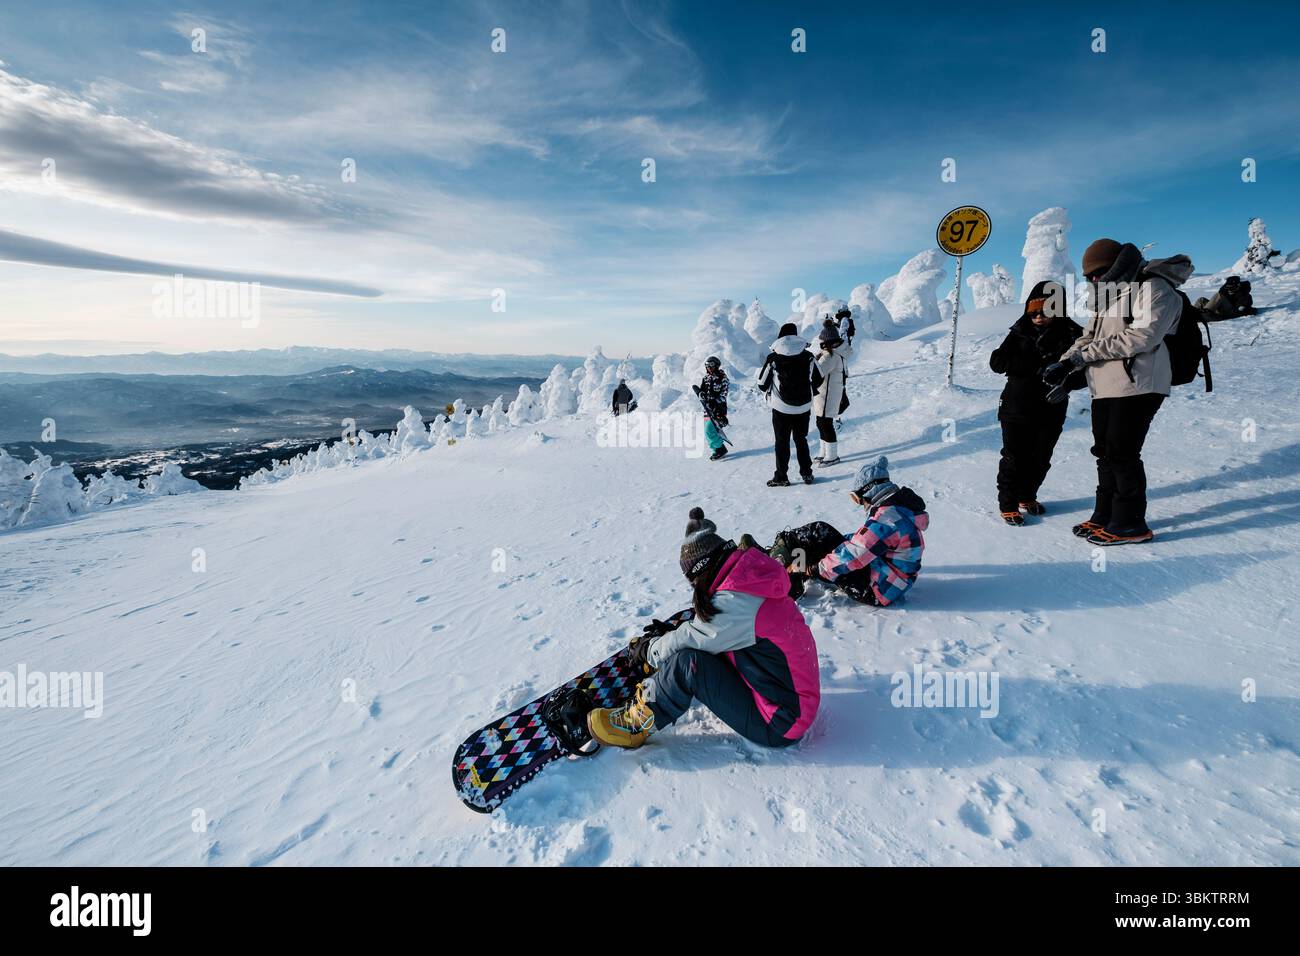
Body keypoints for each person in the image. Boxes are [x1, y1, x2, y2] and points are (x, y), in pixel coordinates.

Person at [586, 508, 821, 750]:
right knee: (698, 642)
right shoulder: (750, 579)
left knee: (688, 664)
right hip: (791, 702)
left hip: (781, 723)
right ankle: (666, 684)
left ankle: (634, 724)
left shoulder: (737, 605)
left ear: (701, 570)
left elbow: (692, 638)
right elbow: (705, 630)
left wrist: (650, 651)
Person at [1044, 238, 1193, 545]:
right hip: (1105, 385)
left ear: (1118, 265)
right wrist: (1063, 364)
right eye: (1090, 277)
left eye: (1099, 273)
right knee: (1105, 454)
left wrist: (1081, 358)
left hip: (1140, 383)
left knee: (1123, 454)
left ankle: (1130, 523)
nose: (1094, 280)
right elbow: (1088, 338)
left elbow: (1143, 338)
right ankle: (1105, 515)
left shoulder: (1154, 288)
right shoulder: (1109, 295)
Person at [989, 280, 1085, 525]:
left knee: (1041, 456)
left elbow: (1088, 370)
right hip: (1016, 405)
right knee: (1014, 456)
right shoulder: (1019, 331)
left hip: (1051, 407)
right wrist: (1035, 367)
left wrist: (1067, 383)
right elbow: (997, 362)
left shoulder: (1075, 334)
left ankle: (1027, 495)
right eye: (1033, 312)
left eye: (1045, 311)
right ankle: (1008, 503)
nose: (1038, 316)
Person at [811, 456, 928, 606]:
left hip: (878, 590)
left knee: (818, 532)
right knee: (827, 537)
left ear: (868, 491)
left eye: (857, 497)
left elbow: (854, 555)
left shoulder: (886, 519)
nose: (860, 503)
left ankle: (790, 573)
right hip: (895, 583)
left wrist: (816, 569)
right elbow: (866, 542)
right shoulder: (899, 511)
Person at [756, 322, 822, 487]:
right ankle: (807, 473)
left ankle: (781, 476)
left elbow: (761, 383)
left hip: (781, 408)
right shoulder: (808, 356)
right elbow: (819, 378)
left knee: (782, 442)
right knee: (801, 440)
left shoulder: (773, 358)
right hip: (804, 407)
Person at [812, 319, 849, 467]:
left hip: (827, 396)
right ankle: (824, 452)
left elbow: (817, 372)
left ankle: (832, 455)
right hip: (825, 395)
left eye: (821, 339)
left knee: (825, 424)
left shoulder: (830, 356)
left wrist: (812, 361)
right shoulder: (830, 354)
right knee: (821, 423)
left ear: (826, 341)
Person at [693, 356, 730, 461]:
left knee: (709, 430)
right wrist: (700, 393)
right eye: (707, 365)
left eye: (711, 365)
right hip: (707, 409)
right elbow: (703, 390)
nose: (709, 367)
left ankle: (720, 449)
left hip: (718, 409)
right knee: (708, 431)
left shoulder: (722, 378)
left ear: (717, 366)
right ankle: (717, 449)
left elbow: (723, 394)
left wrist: (713, 403)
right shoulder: (706, 378)